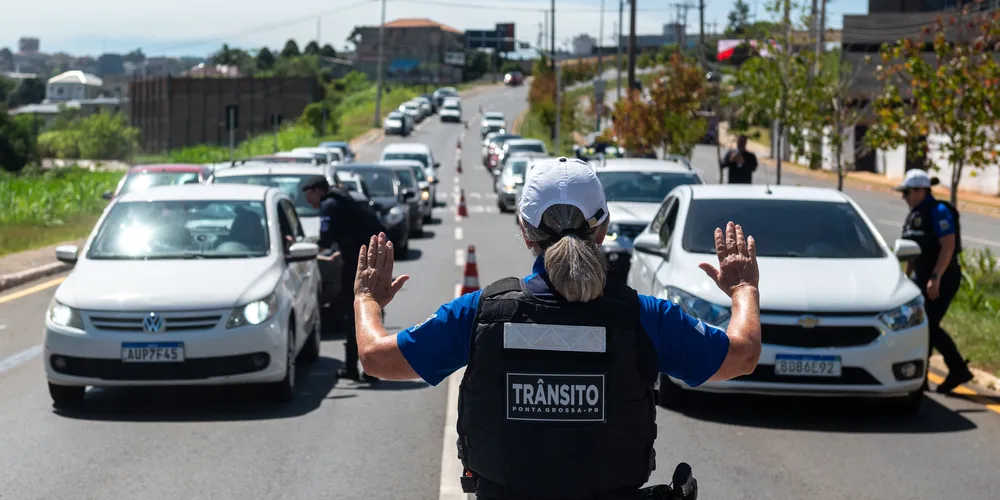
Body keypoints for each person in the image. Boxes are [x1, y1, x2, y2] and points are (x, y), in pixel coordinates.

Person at [349, 157, 763, 500]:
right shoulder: (646, 317)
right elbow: (743, 355)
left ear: (525, 231)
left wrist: (367, 299)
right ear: (603, 228)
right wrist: (743, 288)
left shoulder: (479, 313)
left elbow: (376, 359)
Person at [895, 168, 973, 394]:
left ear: (921, 190)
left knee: (927, 323)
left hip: (942, 277)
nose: (904, 197)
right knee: (923, 324)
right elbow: (912, 251)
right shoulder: (914, 215)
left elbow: (948, 246)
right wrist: (905, 279)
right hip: (922, 278)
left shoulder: (939, 211)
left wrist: (936, 277)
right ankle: (929, 375)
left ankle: (955, 369)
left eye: (907, 192)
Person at [302, 174, 386, 382]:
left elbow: (324, 240)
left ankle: (360, 368)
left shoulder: (329, 205)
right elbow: (350, 233)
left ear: (318, 191)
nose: (307, 201)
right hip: (371, 260)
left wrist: (302, 248)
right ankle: (366, 368)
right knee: (367, 312)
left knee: (356, 314)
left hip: (360, 265)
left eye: (309, 194)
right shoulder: (342, 200)